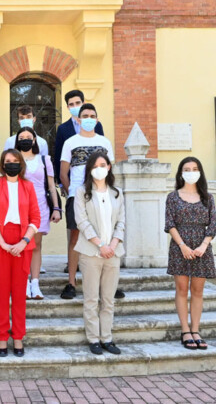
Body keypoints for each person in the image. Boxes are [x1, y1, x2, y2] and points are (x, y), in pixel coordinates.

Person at [0, 149, 40, 358]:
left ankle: (18, 336)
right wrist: (3, 243)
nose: (12, 164)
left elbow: (36, 218)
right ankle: (1, 336)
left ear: (21, 164)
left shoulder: (28, 186)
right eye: (8, 161)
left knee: (19, 292)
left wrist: (24, 242)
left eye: (15, 161)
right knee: (1, 292)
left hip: (22, 241)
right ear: (2, 164)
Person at [59, 103, 114, 300]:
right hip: (77, 196)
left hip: (101, 196)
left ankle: (107, 283)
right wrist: (72, 193)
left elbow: (111, 170)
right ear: (78, 119)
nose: (88, 119)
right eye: (85, 116)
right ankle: (71, 282)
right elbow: (63, 173)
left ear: (97, 120)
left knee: (104, 237)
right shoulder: (70, 142)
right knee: (75, 238)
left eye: (92, 116)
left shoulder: (104, 142)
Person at [74, 152, 125, 355]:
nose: (99, 169)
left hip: (113, 253)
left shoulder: (117, 193)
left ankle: (107, 338)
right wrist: (100, 245)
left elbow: (121, 222)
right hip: (90, 253)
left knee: (108, 299)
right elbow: (82, 222)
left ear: (109, 167)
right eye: (95, 166)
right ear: (89, 169)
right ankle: (94, 338)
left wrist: (112, 244)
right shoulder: (82, 192)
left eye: (103, 165)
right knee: (91, 298)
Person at [165, 157, 216, 351]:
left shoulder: (207, 198)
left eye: (195, 169)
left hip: (202, 249)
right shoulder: (173, 197)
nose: (191, 172)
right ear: (181, 173)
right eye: (187, 169)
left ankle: (195, 330)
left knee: (197, 291)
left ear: (200, 172)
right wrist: (182, 246)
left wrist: (203, 245)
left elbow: (213, 225)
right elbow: (170, 224)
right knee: (181, 288)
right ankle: (185, 330)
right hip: (180, 247)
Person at [15, 127, 61, 300]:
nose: (25, 140)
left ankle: (35, 283)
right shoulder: (13, 158)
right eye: (21, 137)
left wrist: (56, 208)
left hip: (40, 205)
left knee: (35, 245)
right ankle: (24, 282)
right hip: (18, 206)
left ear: (34, 140)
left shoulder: (44, 159)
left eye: (28, 137)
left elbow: (51, 186)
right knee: (21, 245)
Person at [53, 90, 104, 183]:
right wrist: (61, 183)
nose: (75, 106)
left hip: (95, 177)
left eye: (77, 103)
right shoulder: (62, 129)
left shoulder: (96, 125)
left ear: (83, 103)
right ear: (68, 107)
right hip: (73, 180)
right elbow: (59, 156)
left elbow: (102, 150)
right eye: (71, 104)